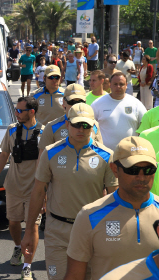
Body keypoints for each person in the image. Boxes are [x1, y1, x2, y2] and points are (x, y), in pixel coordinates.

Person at [21, 103, 118, 280]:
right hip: (58, 230)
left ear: (93, 126)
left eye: (86, 125)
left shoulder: (106, 156)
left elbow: (115, 199)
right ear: (67, 124)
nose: (81, 129)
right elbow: (37, 192)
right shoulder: (51, 153)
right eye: (76, 124)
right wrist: (29, 230)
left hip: (92, 231)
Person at [65, 137, 159, 280]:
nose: (141, 177)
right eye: (133, 169)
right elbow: (74, 276)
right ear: (115, 170)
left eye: (148, 169)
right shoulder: (89, 216)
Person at [0, 96, 44, 280]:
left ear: (32, 112)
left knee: (32, 227)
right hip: (13, 186)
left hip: (34, 190)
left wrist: (45, 192)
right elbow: (4, 154)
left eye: (20, 111)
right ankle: (19, 246)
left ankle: (27, 265)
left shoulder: (43, 133)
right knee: (13, 223)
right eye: (16, 110)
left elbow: (46, 165)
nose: (17, 114)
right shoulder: (12, 130)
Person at [38, 83, 103, 153]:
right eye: (72, 102)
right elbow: (42, 158)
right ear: (64, 102)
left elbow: (100, 152)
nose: (76, 105)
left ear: (85, 102)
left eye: (80, 101)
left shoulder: (94, 125)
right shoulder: (51, 127)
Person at [92, 72, 147, 151]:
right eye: (115, 84)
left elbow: (145, 127)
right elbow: (90, 128)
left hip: (130, 154)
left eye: (121, 84)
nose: (118, 87)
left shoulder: (136, 103)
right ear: (110, 85)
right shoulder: (97, 103)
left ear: (126, 85)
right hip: (105, 154)